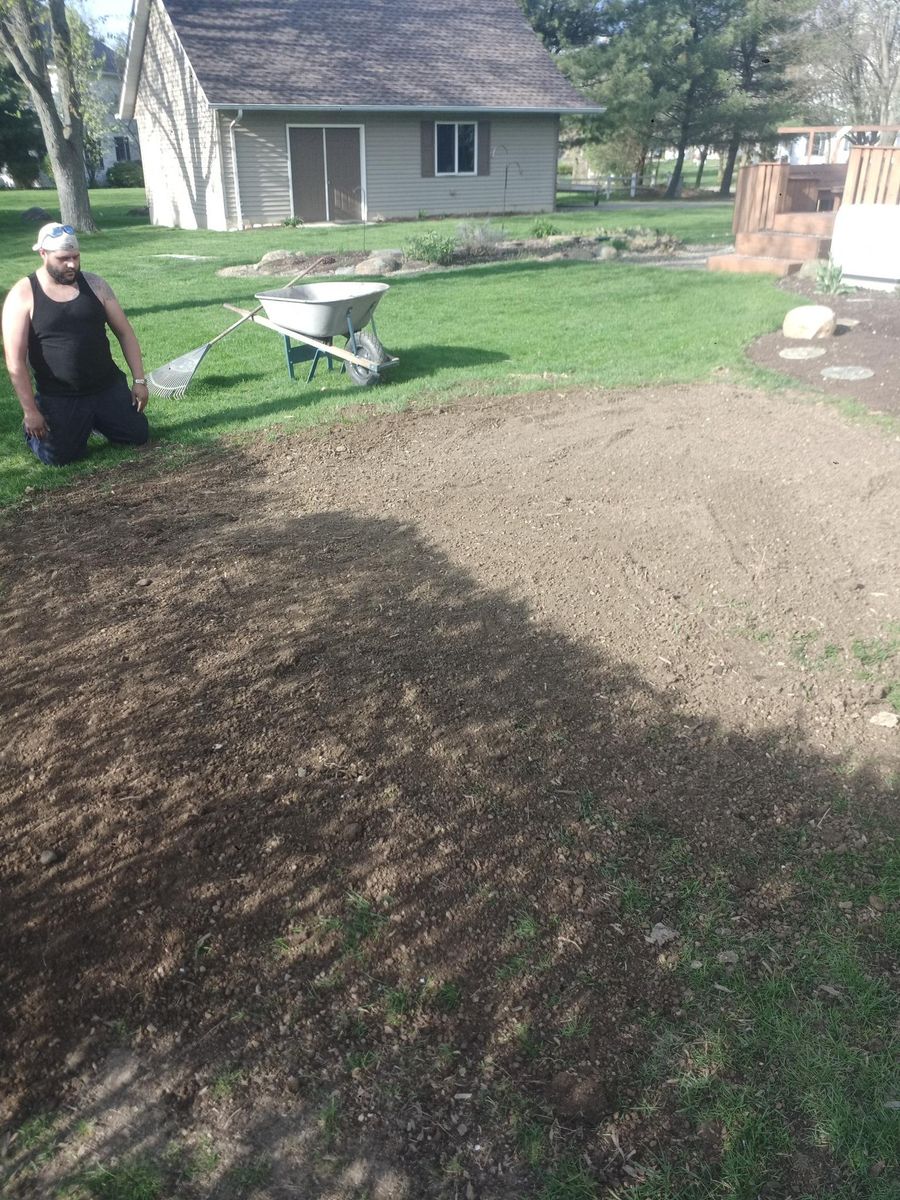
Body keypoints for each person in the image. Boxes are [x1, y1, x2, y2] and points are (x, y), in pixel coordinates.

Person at [2, 222, 150, 467]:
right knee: (59, 457)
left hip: (106, 387)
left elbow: (125, 333)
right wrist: (30, 411)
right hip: (60, 395)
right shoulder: (23, 294)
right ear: (43, 254)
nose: (71, 264)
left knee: (138, 436)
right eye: (63, 258)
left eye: (75, 257)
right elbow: (15, 361)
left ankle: (95, 420)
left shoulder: (95, 285)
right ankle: (33, 432)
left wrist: (139, 380)